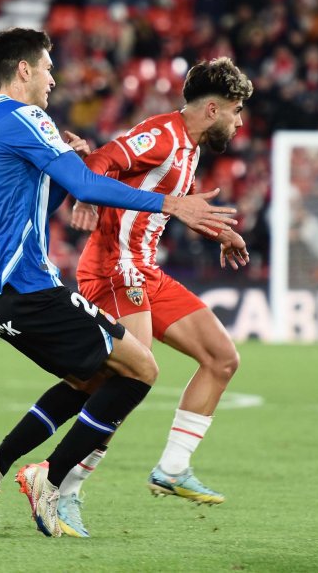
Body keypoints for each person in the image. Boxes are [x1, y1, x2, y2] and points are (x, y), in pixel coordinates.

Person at [0, 28, 236, 539]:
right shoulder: (26, 116)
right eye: (46, 67)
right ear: (23, 70)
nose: (52, 77)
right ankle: (52, 477)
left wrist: (58, 171)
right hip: (31, 288)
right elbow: (87, 181)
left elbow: (41, 201)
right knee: (139, 370)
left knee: (92, 379)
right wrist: (173, 204)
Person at [55, 57, 252, 538]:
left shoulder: (191, 148)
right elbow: (102, 160)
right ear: (211, 109)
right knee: (129, 377)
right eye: (235, 110)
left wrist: (216, 232)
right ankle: (65, 489)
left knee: (222, 359)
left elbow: (161, 207)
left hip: (143, 269)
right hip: (113, 267)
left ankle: (172, 467)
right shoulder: (162, 134)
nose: (239, 121)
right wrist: (84, 197)